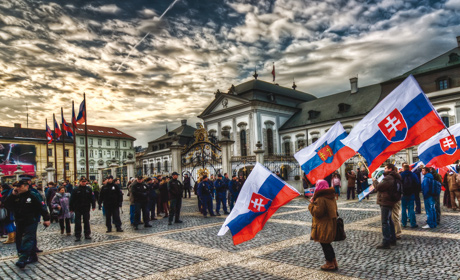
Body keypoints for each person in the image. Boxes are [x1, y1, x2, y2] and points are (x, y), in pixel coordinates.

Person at [4, 180, 50, 268]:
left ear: (26, 186)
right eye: (17, 186)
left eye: (20, 186)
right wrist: (12, 195)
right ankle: (32, 256)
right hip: (19, 221)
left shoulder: (33, 195)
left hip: (31, 221)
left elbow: (42, 207)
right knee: (20, 240)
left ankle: (23, 259)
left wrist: (46, 219)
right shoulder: (16, 196)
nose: (18, 188)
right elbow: (6, 205)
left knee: (28, 239)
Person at [308, 180, 338, 271]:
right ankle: (333, 262)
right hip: (329, 223)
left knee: (325, 244)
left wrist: (311, 204)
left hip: (323, 225)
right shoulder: (330, 196)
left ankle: (330, 264)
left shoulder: (321, 198)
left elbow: (317, 213)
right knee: (327, 243)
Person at [372, 164, 400, 249]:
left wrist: (374, 181)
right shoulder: (393, 177)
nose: (384, 169)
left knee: (385, 222)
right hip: (390, 201)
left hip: (386, 201)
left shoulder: (388, 178)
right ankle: (392, 238)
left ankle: (386, 242)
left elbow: (379, 187)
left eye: (385, 168)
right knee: (390, 220)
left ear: (390, 169)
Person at [69, 177, 96, 241]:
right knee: (77, 222)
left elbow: (92, 198)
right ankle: (78, 235)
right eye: (82, 181)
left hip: (86, 207)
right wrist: (71, 208)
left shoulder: (89, 189)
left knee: (86, 221)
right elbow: (72, 199)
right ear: (80, 182)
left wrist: (93, 205)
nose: (83, 183)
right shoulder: (75, 189)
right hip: (77, 208)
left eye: (85, 181)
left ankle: (87, 234)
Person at [400, 164, 419, 228]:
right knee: (411, 209)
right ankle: (413, 223)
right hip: (411, 194)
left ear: (404, 168)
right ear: (409, 168)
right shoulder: (413, 175)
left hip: (403, 194)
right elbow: (417, 183)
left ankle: (404, 223)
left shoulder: (401, 175)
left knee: (403, 209)